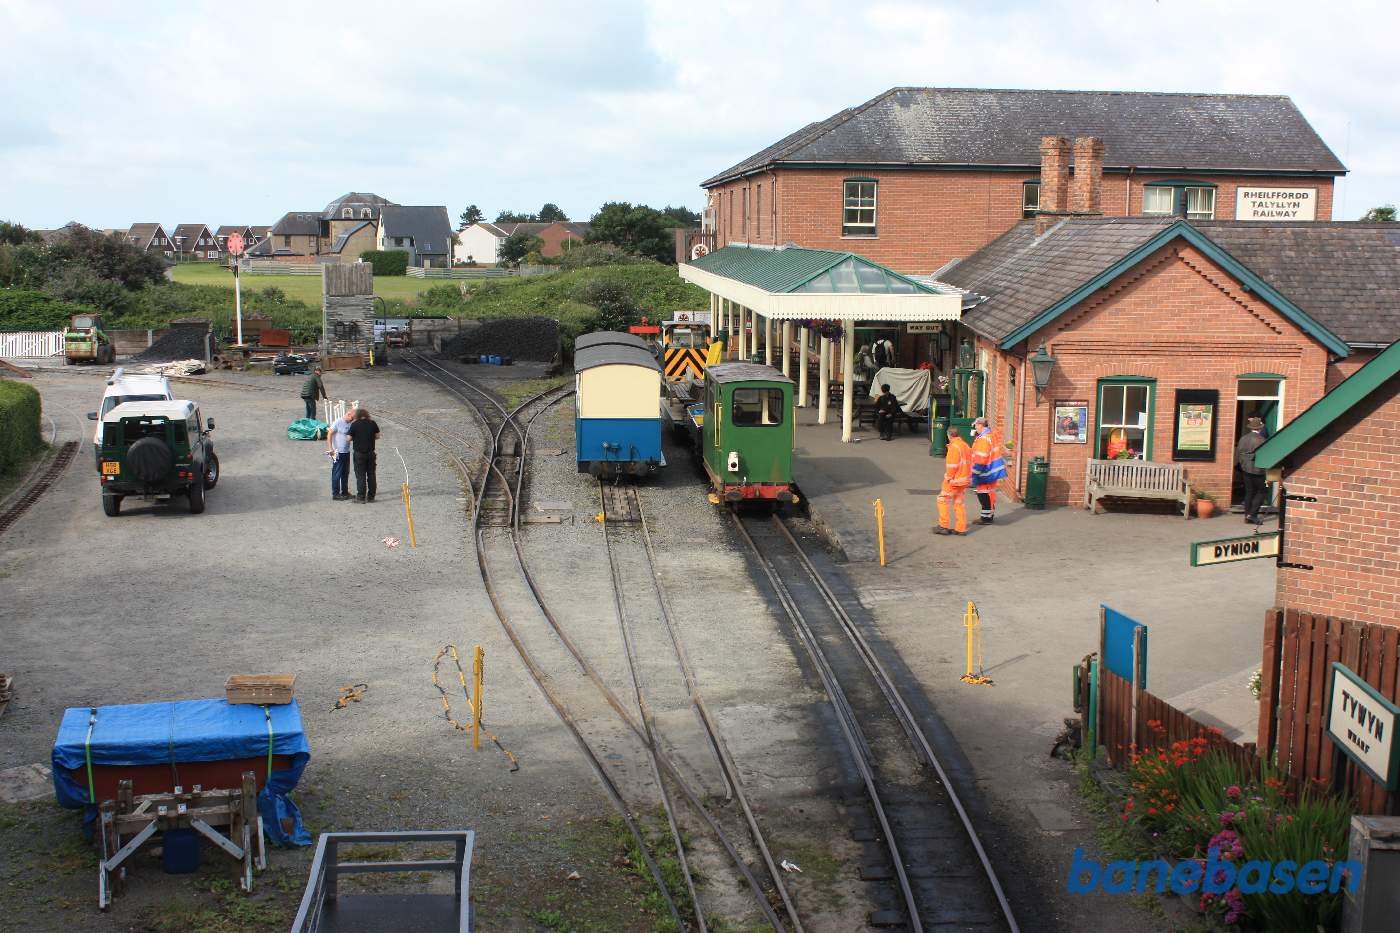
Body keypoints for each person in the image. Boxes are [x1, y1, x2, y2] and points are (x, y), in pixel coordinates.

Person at [970, 416, 1009, 523]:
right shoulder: (991, 435)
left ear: (980, 425)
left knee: (982, 492)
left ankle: (985, 517)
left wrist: (975, 472)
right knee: (990, 492)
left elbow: (981, 457)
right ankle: (990, 514)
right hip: (993, 468)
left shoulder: (983, 439)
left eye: (976, 425)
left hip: (985, 469)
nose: (975, 428)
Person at [936, 425, 973, 535]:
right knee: (959, 503)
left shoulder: (954, 448)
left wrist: (948, 478)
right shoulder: (965, 445)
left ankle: (943, 526)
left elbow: (952, 466)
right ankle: (960, 528)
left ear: (949, 435)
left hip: (954, 481)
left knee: (942, 499)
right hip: (964, 480)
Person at [1235, 415, 1269, 524]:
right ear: (1260, 428)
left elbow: (1238, 454)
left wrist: (1241, 465)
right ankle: (1252, 514)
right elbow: (1264, 455)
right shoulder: (1262, 440)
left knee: (1249, 492)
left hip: (1245, 469)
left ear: (1251, 428)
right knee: (1263, 491)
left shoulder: (1243, 438)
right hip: (1258, 470)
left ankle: (1247, 516)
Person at [348, 407, 381, 503]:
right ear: (367, 415)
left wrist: (357, 438)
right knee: (371, 474)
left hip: (359, 454)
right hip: (371, 453)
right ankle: (371, 496)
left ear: (357, 416)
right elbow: (377, 436)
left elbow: (348, 438)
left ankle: (361, 497)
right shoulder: (372, 423)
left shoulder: (354, 425)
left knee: (360, 475)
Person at [326, 408, 354, 501]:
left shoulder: (350, 423)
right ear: (348, 414)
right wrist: (330, 448)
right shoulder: (338, 422)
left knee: (345, 472)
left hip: (346, 451)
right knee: (337, 472)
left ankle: (345, 492)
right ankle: (335, 493)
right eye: (352, 418)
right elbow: (329, 433)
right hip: (337, 452)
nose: (352, 420)